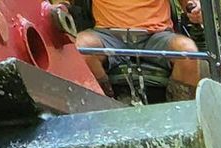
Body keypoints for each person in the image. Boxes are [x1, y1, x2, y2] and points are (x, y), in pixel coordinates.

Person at [70, 0, 203, 98]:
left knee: (188, 51)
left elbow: (190, 3)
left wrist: (196, 9)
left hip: (156, 34)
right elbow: (63, 4)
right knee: (80, 48)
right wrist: (62, 7)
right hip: (108, 34)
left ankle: (181, 112)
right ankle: (103, 102)